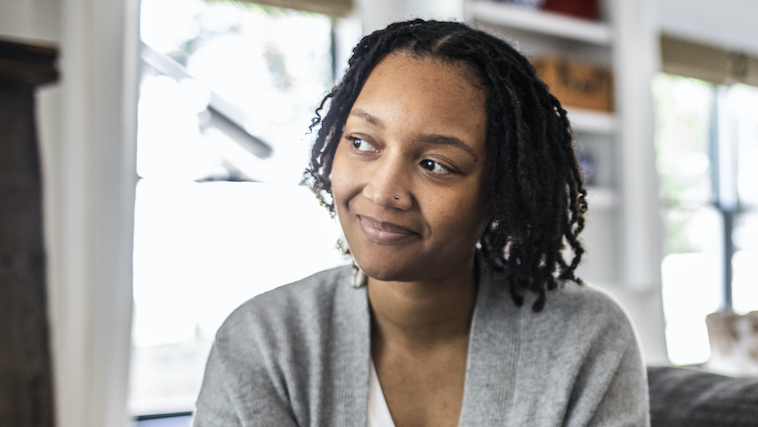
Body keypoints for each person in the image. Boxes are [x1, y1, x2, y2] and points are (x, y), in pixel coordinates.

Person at [193, 19, 649, 427]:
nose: (382, 191)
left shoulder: (584, 341)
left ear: (501, 192)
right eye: (362, 142)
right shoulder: (262, 343)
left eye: (435, 164)